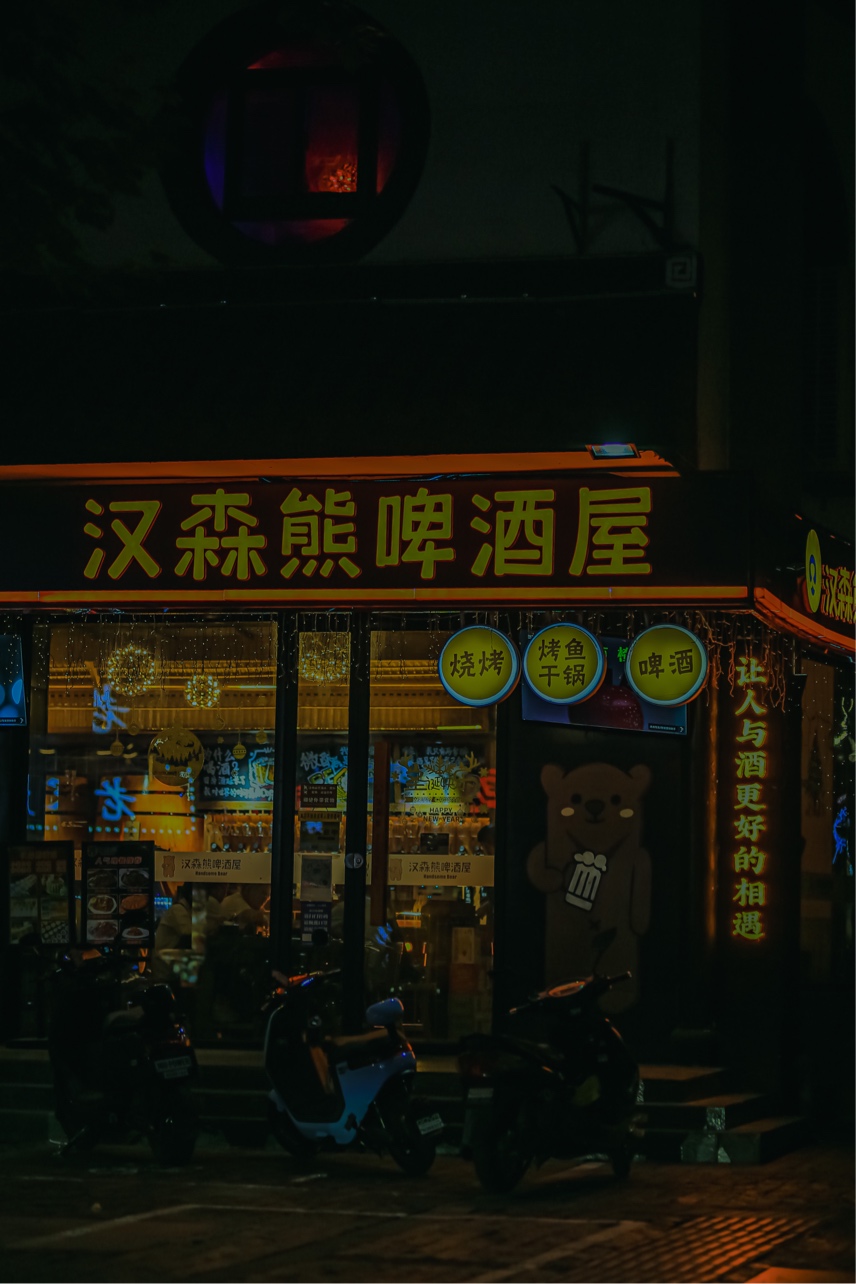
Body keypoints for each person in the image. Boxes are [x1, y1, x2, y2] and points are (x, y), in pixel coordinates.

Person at [152, 884, 193, 983]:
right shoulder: (178, 909)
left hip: (170, 964)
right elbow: (188, 933)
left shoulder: (185, 909)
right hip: (165, 968)